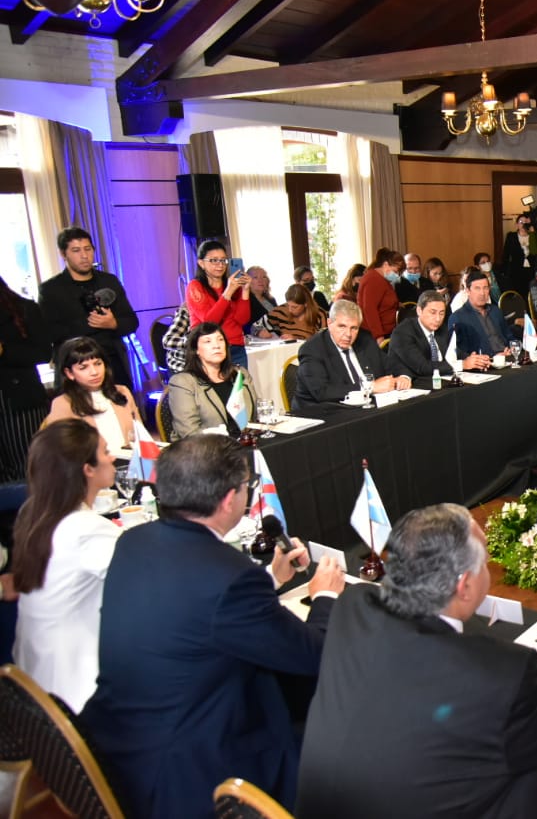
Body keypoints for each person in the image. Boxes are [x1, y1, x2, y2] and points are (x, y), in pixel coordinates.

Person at [78, 434, 346, 819]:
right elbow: (313, 656)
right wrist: (326, 595)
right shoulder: (230, 575)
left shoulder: (134, 541)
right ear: (228, 499)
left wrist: (270, 578)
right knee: (334, 730)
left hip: (114, 744)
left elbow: (193, 610)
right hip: (186, 777)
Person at [295, 503, 537, 819]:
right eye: (486, 563)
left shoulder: (353, 608)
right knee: (528, 782)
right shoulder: (498, 676)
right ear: (464, 586)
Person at [11, 420, 120, 712]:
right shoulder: (84, 529)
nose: (112, 457)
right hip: (77, 694)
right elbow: (145, 575)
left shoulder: (32, 514)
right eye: (106, 452)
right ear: (88, 469)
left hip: (32, 681)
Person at [38, 226, 139, 388]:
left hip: (112, 364)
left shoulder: (109, 281)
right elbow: (50, 332)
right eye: (76, 250)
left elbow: (131, 322)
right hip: (74, 367)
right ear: (63, 254)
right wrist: (91, 324)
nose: (84, 256)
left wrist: (113, 324)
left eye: (88, 249)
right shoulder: (51, 289)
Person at [293, 300, 411, 416]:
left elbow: (391, 363)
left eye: (354, 328)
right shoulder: (312, 349)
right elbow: (322, 392)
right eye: (342, 326)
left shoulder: (364, 338)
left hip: (365, 410)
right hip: (321, 414)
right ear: (329, 323)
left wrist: (403, 377)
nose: (348, 334)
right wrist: (370, 387)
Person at [47, 337, 139, 459]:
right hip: (91, 467)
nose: (94, 372)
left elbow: (141, 435)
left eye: (98, 364)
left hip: (131, 462)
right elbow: (62, 452)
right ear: (69, 373)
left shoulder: (122, 391)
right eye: (83, 367)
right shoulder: (63, 403)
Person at [166, 323, 259, 439]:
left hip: (246, 441)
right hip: (207, 446)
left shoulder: (240, 373)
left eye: (220, 340)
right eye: (208, 341)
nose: (216, 346)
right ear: (196, 350)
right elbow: (189, 433)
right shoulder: (183, 382)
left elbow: (256, 416)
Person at [0, 274, 52, 482]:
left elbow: (43, 352)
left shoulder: (24, 309)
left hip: (20, 400)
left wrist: (5, 351)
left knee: (30, 466)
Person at [185, 240, 251, 366]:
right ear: (201, 263)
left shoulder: (231, 284)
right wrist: (228, 292)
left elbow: (242, 319)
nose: (220, 265)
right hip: (210, 348)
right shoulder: (195, 286)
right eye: (214, 260)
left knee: (240, 379)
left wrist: (245, 290)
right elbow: (209, 322)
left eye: (223, 260)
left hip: (236, 346)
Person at [386, 290, 462, 380]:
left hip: (441, 378)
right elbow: (422, 367)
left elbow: (457, 352)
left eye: (441, 313)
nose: (438, 319)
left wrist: (472, 359)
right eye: (433, 313)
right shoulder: (403, 332)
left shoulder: (443, 329)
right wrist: (460, 365)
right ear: (419, 311)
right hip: (414, 381)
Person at [449, 270, 517, 365]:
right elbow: (458, 352)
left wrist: (512, 348)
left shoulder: (495, 310)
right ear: (468, 291)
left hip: (507, 358)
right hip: (485, 364)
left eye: (485, 288)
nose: (482, 293)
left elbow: (509, 336)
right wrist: (493, 357)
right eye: (477, 288)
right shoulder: (458, 317)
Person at [358, 247, 405, 343]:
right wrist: (378, 336)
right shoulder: (373, 279)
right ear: (386, 264)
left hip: (385, 332)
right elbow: (370, 309)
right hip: (375, 335)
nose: (397, 275)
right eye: (395, 271)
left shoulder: (382, 279)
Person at [501, 213, 535, 295]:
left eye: (525, 222)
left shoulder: (533, 236)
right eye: (521, 222)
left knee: (530, 291)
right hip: (516, 269)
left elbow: (536, 252)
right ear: (517, 224)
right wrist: (504, 270)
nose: (523, 225)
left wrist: (533, 233)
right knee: (517, 291)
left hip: (531, 269)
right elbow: (506, 254)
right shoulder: (511, 236)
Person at [245, 265, 277, 336]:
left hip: (274, 336)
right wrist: (258, 332)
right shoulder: (244, 300)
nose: (260, 281)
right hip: (253, 338)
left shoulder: (271, 299)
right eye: (255, 277)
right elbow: (243, 323)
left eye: (264, 277)